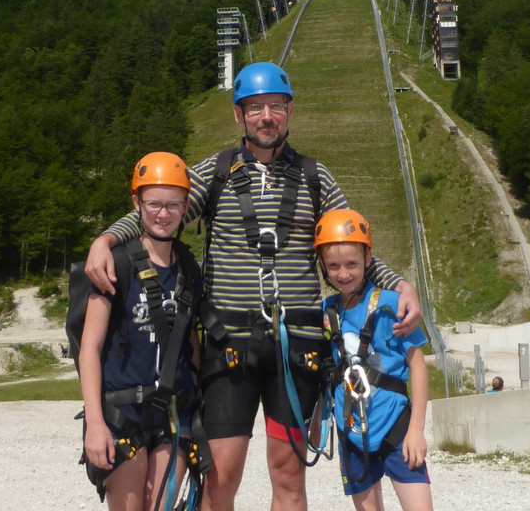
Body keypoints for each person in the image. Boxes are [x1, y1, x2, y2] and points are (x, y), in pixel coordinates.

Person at [85, 62, 423, 511]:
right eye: (255, 108)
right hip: (229, 348)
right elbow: (159, 214)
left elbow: (352, 246)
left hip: (296, 347)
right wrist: (106, 239)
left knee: (288, 478)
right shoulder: (214, 173)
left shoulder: (315, 178)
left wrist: (402, 284)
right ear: (238, 115)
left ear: (290, 111)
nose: (266, 116)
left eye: (276, 107)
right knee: (219, 477)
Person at [78, 152, 203, 511]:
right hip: (122, 413)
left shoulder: (188, 267)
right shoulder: (114, 264)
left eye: (173, 205)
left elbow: (190, 340)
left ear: (185, 206)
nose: (163, 214)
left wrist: (200, 410)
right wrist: (95, 423)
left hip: (173, 412)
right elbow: (90, 346)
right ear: (136, 203)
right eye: (153, 204)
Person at [315, 208, 432, 511]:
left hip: (398, 427)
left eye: (352, 264)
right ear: (322, 266)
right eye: (334, 266)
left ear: (369, 259)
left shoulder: (391, 304)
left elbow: (417, 365)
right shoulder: (327, 314)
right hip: (351, 432)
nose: (343, 274)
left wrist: (417, 429)